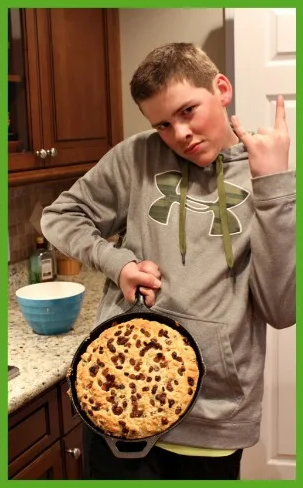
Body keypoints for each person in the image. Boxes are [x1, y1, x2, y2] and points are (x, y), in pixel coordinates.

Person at [41, 42, 294, 480]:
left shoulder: (267, 177)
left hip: (214, 418)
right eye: (162, 124)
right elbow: (59, 216)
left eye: (188, 111)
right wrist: (117, 263)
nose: (180, 134)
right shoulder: (135, 158)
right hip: (115, 396)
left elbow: (281, 310)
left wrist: (273, 185)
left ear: (221, 88)